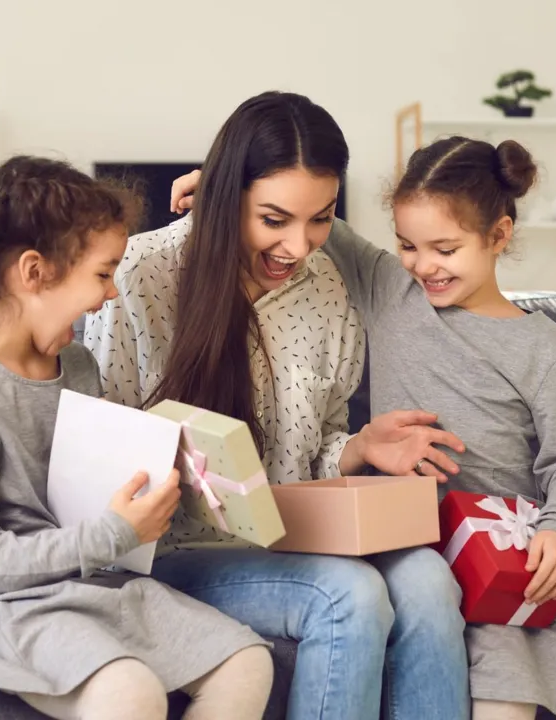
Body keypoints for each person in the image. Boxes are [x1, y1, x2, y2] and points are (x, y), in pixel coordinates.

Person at [85, 91, 470, 720]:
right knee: (351, 595)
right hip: (172, 553)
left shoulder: (328, 291)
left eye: (320, 219)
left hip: (295, 536)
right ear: (226, 197)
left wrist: (356, 450)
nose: (300, 245)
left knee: (428, 580)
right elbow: (98, 450)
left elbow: (317, 446)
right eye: (274, 220)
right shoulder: (135, 277)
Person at [278, 135, 556, 720]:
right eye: (408, 245)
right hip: (438, 555)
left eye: (445, 248)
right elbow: (313, 218)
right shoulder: (391, 288)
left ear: (498, 235)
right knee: (502, 697)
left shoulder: (549, 349)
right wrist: (224, 181)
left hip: (520, 546)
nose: (423, 265)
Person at [0, 155, 273, 720]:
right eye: (102, 273)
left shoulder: (75, 365)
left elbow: (88, 483)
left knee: (246, 661)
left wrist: (166, 469)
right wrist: (114, 533)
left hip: (82, 579)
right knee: (131, 692)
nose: (112, 295)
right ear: (34, 272)